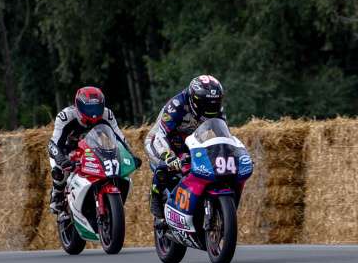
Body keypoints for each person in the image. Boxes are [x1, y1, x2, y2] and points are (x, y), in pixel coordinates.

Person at [144, 75, 225, 221]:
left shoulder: (217, 109)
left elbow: (223, 135)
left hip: (190, 143)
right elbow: (160, 135)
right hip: (161, 141)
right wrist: (168, 156)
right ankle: (156, 196)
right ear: (194, 100)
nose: (211, 108)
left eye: (215, 103)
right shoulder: (176, 105)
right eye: (206, 104)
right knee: (166, 166)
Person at [47, 86, 129, 215]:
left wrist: (128, 153)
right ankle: (57, 195)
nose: (94, 113)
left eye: (97, 108)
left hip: (94, 149)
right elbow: (53, 144)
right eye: (89, 108)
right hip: (67, 151)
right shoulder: (65, 116)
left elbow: (120, 137)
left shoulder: (107, 114)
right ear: (78, 105)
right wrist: (61, 160)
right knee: (59, 171)